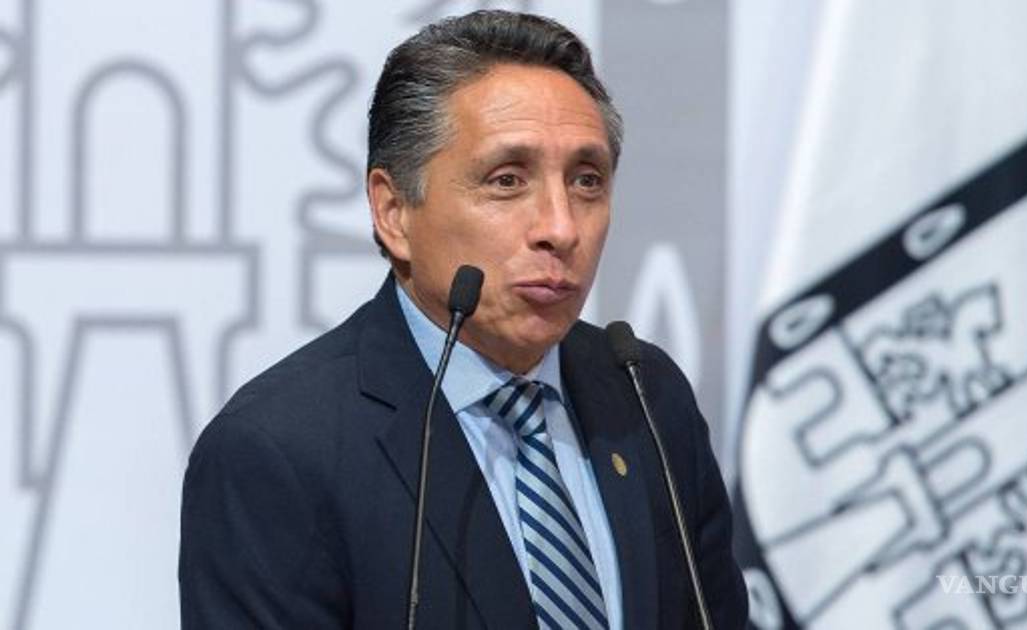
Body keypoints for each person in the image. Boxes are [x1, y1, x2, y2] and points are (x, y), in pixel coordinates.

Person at [178, 10, 747, 629]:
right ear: (394, 212)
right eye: (507, 180)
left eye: (587, 181)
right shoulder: (277, 449)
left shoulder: (646, 397)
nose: (561, 228)